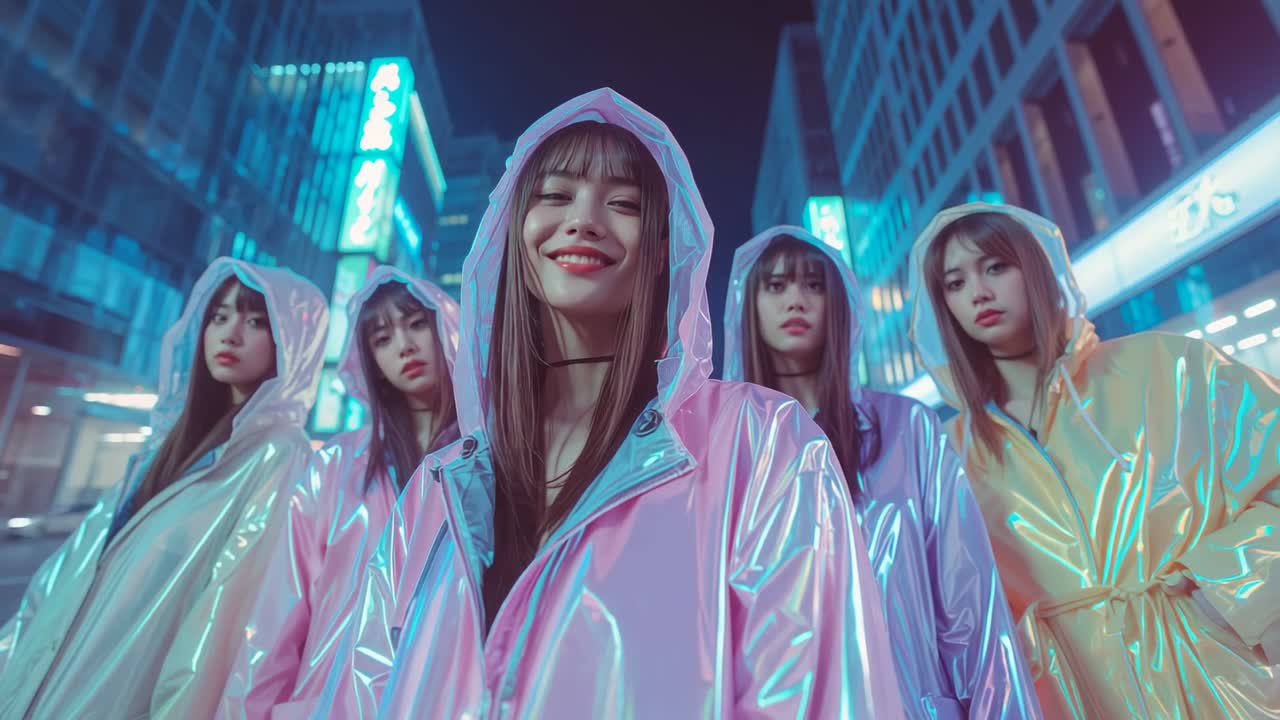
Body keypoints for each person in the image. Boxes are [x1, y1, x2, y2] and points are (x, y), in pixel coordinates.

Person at [318, 88, 903, 719]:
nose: (585, 219)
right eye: (555, 196)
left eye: (623, 203)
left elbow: (818, 692)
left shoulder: (761, 445)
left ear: (661, 251)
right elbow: (362, 690)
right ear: (514, 235)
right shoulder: (441, 484)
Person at [909, 202, 1280, 718]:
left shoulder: (1164, 366)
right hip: (1064, 696)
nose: (979, 293)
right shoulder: (947, 453)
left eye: (995, 266)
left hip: (1215, 682)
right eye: (954, 283)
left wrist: (1224, 583)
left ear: (1035, 269)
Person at [723, 224, 1042, 718]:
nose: (796, 301)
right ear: (750, 303)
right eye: (776, 285)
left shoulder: (907, 428)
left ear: (839, 303)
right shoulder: (726, 448)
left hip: (912, 703)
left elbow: (968, 602)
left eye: (813, 285)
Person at [0, 259, 327, 719]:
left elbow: (218, 630)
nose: (229, 334)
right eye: (219, 316)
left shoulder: (278, 456)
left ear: (292, 342)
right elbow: (53, 589)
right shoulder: (165, 450)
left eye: (255, 321)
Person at [217, 267, 460, 719]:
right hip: (324, 704)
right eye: (382, 338)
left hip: (440, 699)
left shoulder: (492, 460)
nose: (404, 345)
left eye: (415, 324)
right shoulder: (335, 464)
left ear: (446, 326)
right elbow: (280, 611)